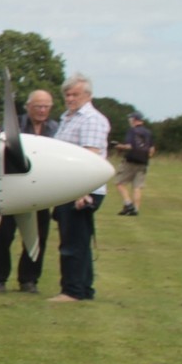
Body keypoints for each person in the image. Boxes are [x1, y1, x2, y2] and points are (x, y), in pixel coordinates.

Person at [0, 89, 58, 293]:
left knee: (38, 236)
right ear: (28, 107)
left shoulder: (55, 129)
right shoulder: (13, 127)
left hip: (41, 191)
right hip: (13, 189)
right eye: (38, 106)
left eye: (46, 107)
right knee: (3, 235)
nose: (43, 110)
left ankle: (29, 279)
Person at [50, 75, 110, 302]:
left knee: (73, 241)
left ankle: (72, 291)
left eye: (75, 94)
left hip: (82, 188)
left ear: (88, 95)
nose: (70, 98)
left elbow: (90, 158)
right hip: (68, 187)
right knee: (77, 239)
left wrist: (83, 191)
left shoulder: (91, 120)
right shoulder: (67, 118)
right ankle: (84, 290)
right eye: (67, 94)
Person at [113, 113, 155, 216]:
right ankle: (135, 210)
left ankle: (128, 204)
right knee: (137, 187)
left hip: (131, 160)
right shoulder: (148, 133)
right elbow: (152, 149)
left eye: (131, 119)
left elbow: (129, 146)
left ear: (134, 120)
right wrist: (147, 157)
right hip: (143, 162)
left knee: (120, 183)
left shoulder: (132, 131)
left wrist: (118, 146)